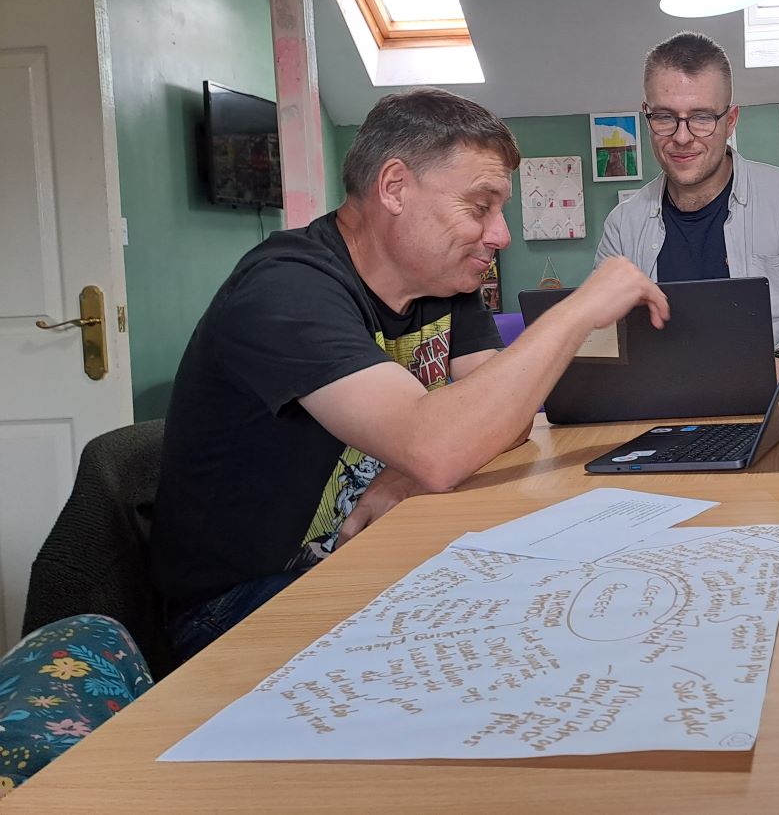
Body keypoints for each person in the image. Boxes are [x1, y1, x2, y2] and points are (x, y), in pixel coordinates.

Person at [150, 88, 667, 661]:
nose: (501, 235)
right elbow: (440, 445)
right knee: (518, 639)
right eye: (480, 207)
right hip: (240, 605)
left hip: (372, 552)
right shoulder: (285, 288)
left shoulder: (440, 281)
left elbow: (505, 419)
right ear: (394, 188)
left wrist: (406, 473)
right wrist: (575, 311)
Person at [595, 32, 779, 356]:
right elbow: (605, 338)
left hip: (771, 397)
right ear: (647, 115)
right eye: (665, 117)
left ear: (730, 120)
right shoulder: (622, 226)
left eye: (702, 118)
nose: (682, 137)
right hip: (658, 403)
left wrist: (776, 370)